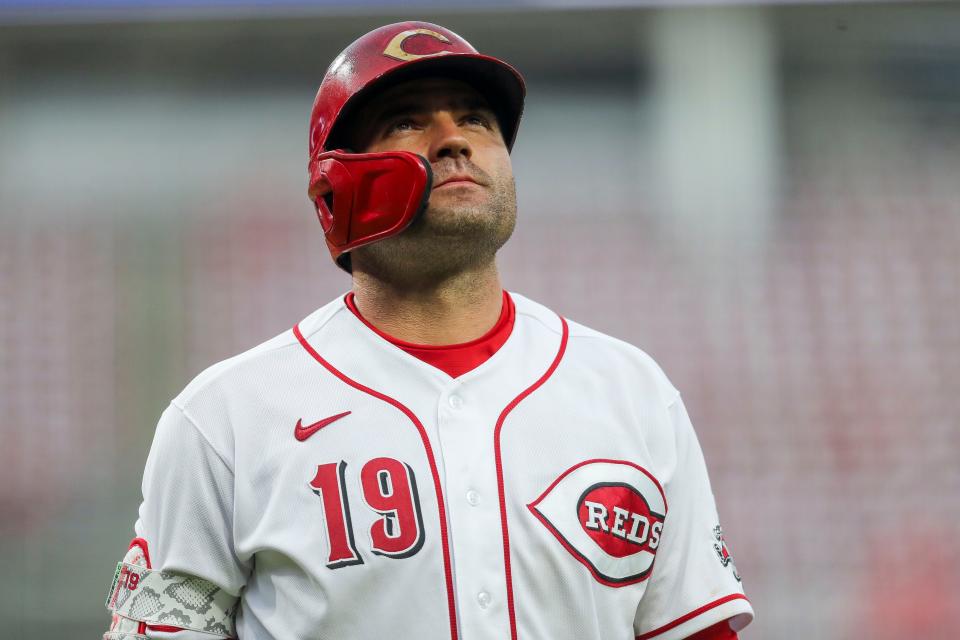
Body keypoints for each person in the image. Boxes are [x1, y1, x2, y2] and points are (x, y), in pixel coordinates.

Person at [104, 21, 753, 640]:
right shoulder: (225, 419)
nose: (455, 139)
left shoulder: (631, 392)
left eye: (475, 119)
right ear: (337, 185)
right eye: (408, 120)